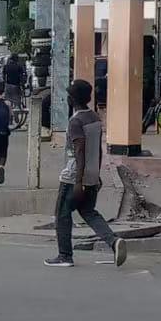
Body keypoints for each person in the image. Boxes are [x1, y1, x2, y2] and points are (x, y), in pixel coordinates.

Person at [44, 79, 127, 269]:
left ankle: (65, 255)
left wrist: (78, 182)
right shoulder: (95, 118)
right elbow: (97, 150)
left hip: (74, 176)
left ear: (72, 99)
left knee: (62, 215)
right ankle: (113, 242)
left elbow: (80, 151)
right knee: (88, 212)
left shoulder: (76, 121)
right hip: (91, 174)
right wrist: (95, 175)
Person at [0, 81, 10, 185]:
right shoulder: (7, 103)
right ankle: (1, 166)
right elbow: (10, 117)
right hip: (4, 132)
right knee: (3, 152)